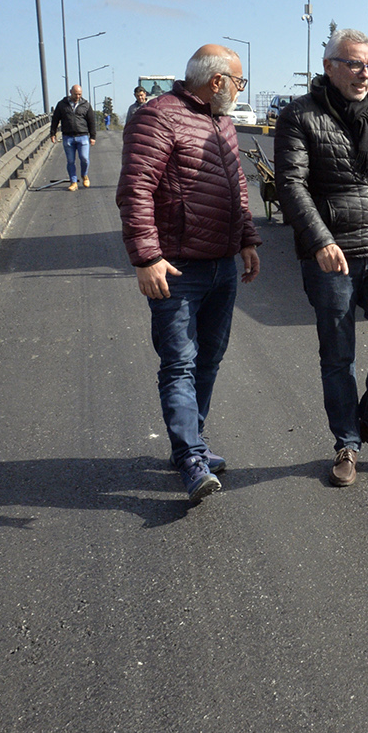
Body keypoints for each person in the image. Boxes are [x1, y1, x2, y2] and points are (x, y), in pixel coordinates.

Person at [116, 45, 261, 502]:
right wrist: (145, 258)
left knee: (209, 359)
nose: (241, 91)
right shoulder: (158, 117)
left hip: (221, 264)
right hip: (176, 267)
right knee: (179, 362)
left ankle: (192, 443)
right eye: (239, 82)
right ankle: (190, 458)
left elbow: (236, 183)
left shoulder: (220, 121)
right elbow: (135, 189)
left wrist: (247, 239)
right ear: (217, 81)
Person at [275, 28, 368, 488]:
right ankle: (347, 443)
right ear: (330, 66)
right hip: (332, 255)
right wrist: (320, 241)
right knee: (338, 356)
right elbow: (291, 185)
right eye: (355, 64)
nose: (365, 73)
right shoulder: (299, 115)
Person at [50, 84, 97, 190]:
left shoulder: (86, 105)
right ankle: (73, 182)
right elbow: (55, 119)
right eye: (76, 94)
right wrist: (52, 133)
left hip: (83, 136)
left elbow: (91, 121)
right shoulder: (62, 104)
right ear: (70, 92)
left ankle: (84, 175)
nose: (77, 96)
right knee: (70, 161)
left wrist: (93, 136)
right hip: (68, 137)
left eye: (80, 94)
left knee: (84, 158)